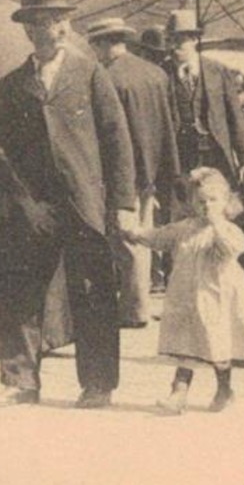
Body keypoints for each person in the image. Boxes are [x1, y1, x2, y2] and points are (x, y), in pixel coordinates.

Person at [0, 0, 137, 410]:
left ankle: (98, 384)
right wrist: (24, 202)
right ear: (27, 29)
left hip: (84, 203)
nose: (52, 29)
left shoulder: (90, 75)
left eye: (57, 20)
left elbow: (117, 139)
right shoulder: (12, 85)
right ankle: (20, 381)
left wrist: (123, 204)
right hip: (34, 207)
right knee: (23, 291)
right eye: (42, 21)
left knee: (93, 291)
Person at [122, 167, 244, 414]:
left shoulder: (228, 230)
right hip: (187, 299)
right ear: (191, 202)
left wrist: (217, 224)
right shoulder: (184, 228)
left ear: (226, 202)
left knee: (219, 348)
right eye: (201, 201)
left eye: (213, 200)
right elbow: (159, 237)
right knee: (185, 348)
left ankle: (224, 390)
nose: (207, 206)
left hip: (217, 300)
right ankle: (178, 395)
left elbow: (232, 248)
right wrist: (134, 232)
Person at [85, 17, 180, 327]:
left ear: (102, 44)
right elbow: (170, 124)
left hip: (121, 172)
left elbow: (109, 133)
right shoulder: (155, 74)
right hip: (151, 169)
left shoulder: (106, 78)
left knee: (124, 239)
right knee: (142, 235)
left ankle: (134, 308)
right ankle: (140, 301)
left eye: (95, 46)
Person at [165, 10, 244, 191]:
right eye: (171, 39)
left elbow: (236, 118)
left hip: (216, 152)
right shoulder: (162, 73)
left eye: (181, 39)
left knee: (217, 202)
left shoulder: (218, 71)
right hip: (181, 157)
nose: (175, 45)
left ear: (194, 39)